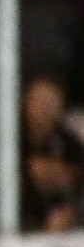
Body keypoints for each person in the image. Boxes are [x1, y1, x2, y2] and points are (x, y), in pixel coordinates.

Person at [21, 71, 83, 232]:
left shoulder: (68, 141)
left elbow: (76, 177)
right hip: (22, 223)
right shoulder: (12, 141)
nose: (45, 109)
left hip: (64, 224)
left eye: (51, 101)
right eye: (40, 101)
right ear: (27, 102)